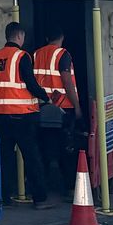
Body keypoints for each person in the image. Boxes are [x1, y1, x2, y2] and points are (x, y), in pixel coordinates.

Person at [0, 21, 56, 206]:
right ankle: (40, 198)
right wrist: (46, 97)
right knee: (32, 157)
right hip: (21, 115)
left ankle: (3, 197)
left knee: (4, 158)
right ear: (19, 36)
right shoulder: (21, 56)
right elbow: (31, 84)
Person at [32, 31, 86, 199]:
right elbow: (67, 81)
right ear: (62, 37)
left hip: (42, 107)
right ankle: (69, 188)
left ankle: (46, 187)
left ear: (47, 37)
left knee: (45, 148)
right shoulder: (63, 54)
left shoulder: (36, 54)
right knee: (67, 149)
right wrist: (77, 106)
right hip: (63, 108)